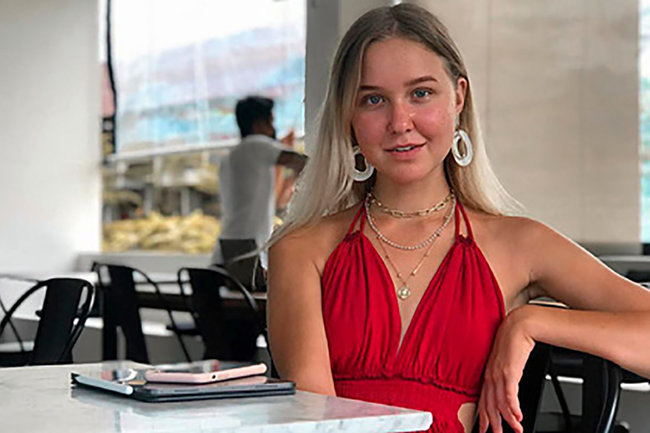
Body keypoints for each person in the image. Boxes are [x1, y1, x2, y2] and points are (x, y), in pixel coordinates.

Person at [266, 4, 650, 433]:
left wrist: (532, 322)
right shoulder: (300, 250)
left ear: (459, 97)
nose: (400, 122)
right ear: (347, 115)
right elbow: (317, 425)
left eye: (421, 94)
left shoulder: (520, 244)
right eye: (373, 100)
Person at [211, 96, 306, 269]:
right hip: (246, 249)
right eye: (271, 122)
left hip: (224, 248)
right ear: (258, 124)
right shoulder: (257, 145)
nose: (273, 129)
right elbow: (302, 162)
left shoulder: (231, 156)